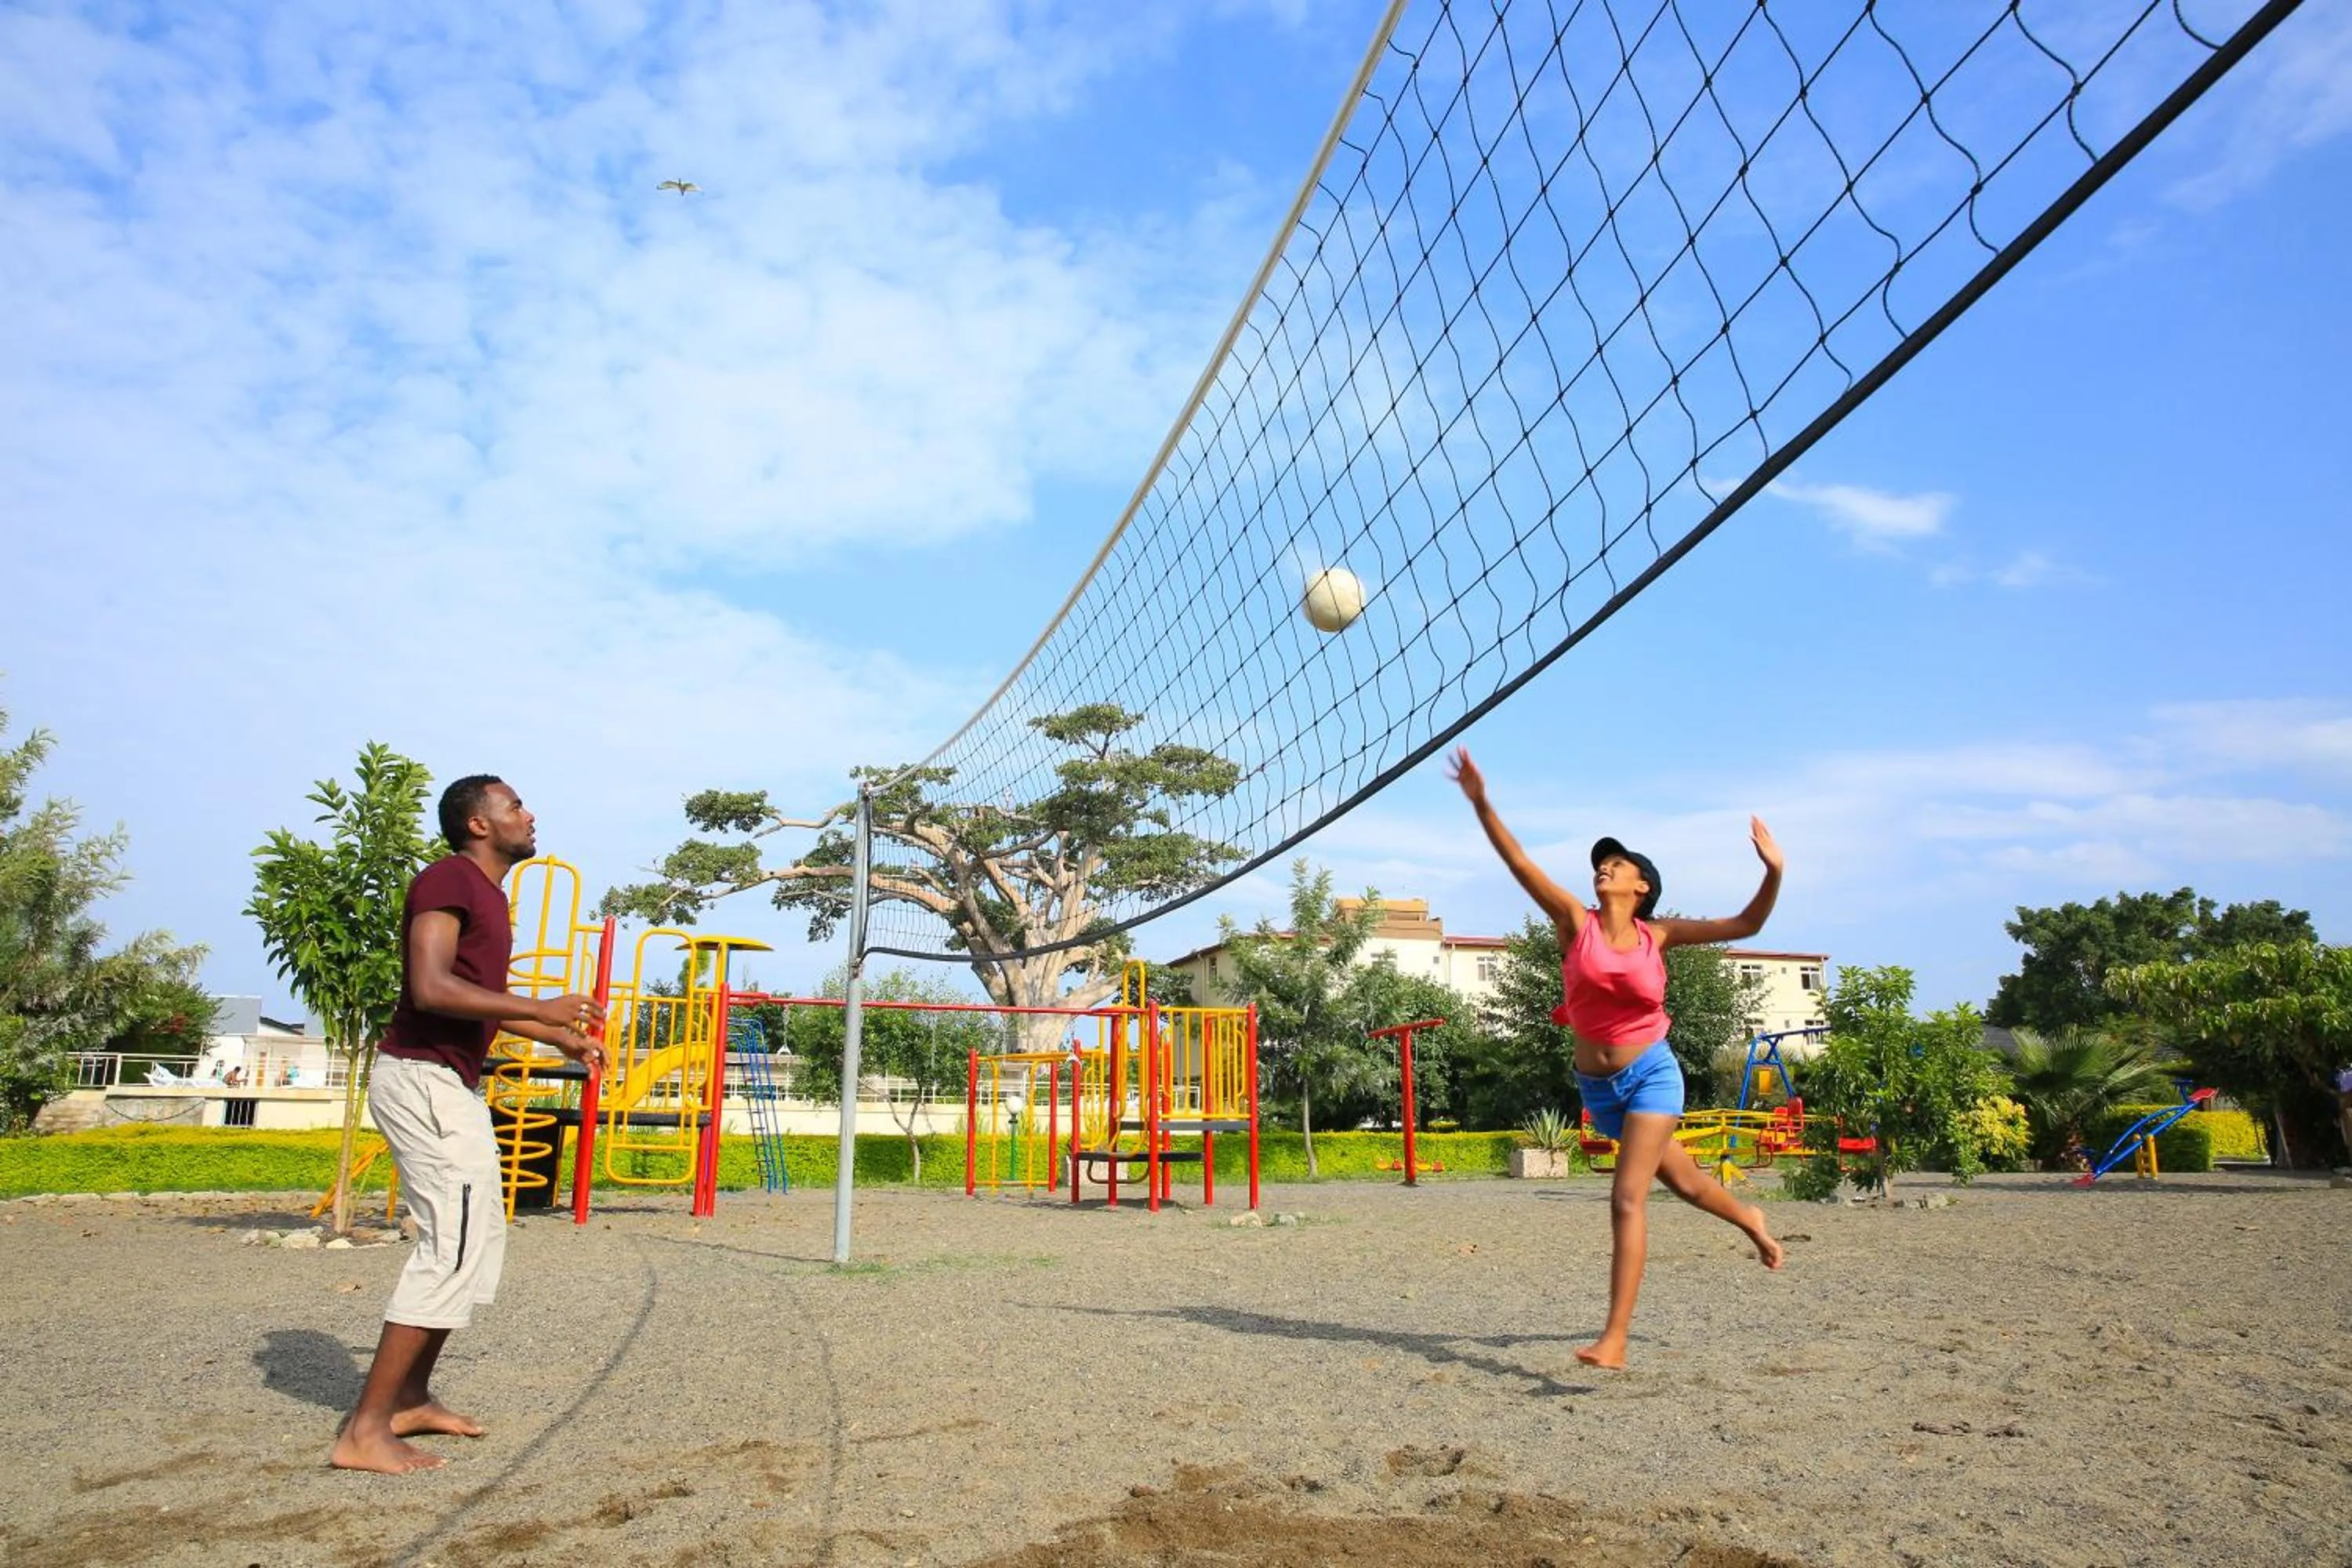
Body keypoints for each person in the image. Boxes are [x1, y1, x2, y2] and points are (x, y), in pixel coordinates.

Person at [1449, 746, 1784, 1370]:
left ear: (1642, 886)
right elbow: (1519, 862)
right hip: (1598, 1089)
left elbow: (1750, 924)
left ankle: (1615, 1339)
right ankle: (1751, 1219)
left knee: (1627, 1198)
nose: (1604, 868)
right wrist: (1481, 801)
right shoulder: (1574, 922)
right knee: (1684, 1182)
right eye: (1601, 862)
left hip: (1652, 1073)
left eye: (1617, 863)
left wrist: (1773, 871)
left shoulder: (1661, 935)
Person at [329, 775, 608, 1475]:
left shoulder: (488, 895)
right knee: (449, 1246)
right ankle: (364, 1430)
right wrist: (542, 1008)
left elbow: (472, 1002)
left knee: (475, 1240)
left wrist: (555, 1036)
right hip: (420, 1079)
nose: (530, 813)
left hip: (448, 1081)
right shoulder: (449, 879)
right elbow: (430, 987)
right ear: (478, 824)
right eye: (515, 805)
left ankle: (409, 1399)